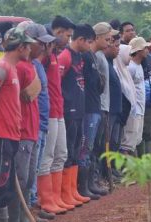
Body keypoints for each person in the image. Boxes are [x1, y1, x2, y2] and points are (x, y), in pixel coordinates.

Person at [0, 27, 36, 222]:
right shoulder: (1, 67)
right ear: (20, 47)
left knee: (5, 188)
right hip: (0, 136)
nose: (30, 50)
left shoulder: (12, 68)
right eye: (28, 46)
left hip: (11, 136)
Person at [8, 22, 56, 222]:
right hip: (23, 130)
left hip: (34, 128)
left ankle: (25, 215)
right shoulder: (18, 67)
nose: (43, 48)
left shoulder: (31, 65)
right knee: (21, 177)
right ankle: (17, 218)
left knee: (28, 178)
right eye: (38, 44)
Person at [37, 15, 76, 215]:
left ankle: (57, 197)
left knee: (61, 154)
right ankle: (46, 200)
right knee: (48, 156)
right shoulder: (45, 55)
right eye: (67, 36)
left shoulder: (53, 54)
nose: (68, 41)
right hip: (49, 112)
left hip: (58, 111)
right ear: (58, 31)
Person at [58, 24, 96, 205]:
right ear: (80, 40)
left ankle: (72, 191)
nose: (90, 46)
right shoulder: (65, 56)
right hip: (69, 110)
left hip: (80, 109)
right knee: (67, 150)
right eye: (89, 42)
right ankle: (63, 194)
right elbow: (56, 83)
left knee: (75, 150)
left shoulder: (79, 56)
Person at [82, 22, 118, 196]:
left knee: (95, 147)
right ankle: (87, 183)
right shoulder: (90, 57)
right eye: (107, 38)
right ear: (97, 37)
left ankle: (92, 181)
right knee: (90, 147)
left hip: (100, 106)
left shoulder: (97, 57)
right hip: (93, 107)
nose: (110, 42)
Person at [120, 37, 150, 155]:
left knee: (136, 139)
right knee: (128, 141)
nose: (147, 50)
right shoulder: (131, 67)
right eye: (145, 48)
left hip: (140, 108)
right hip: (134, 109)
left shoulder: (139, 65)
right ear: (138, 51)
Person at [103, 33, 124, 180]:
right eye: (115, 46)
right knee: (106, 143)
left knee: (115, 142)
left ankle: (112, 170)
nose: (118, 49)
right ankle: (105, 173)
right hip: (108, 109)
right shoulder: (104, 62)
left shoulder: (112, 63)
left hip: (116, 109)